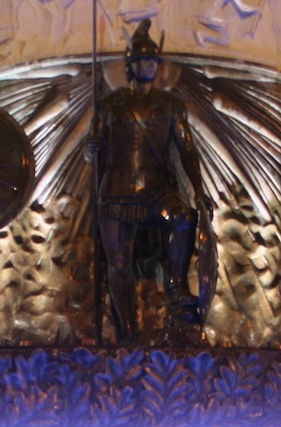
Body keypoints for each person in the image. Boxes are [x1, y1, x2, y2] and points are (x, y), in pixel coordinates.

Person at [89, 18, 213, 344]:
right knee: (118, 263)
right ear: (131, 64)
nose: (151, 65)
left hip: (156, 189)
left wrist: (199, 192)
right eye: (145, 59)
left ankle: (175, 285)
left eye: (154, 60)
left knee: (184, 218)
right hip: (116, 189)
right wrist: (91, 149)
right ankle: (128, 331)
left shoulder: (170, 105)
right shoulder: (109, 105)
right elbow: (94, 153)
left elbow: (187, 149)